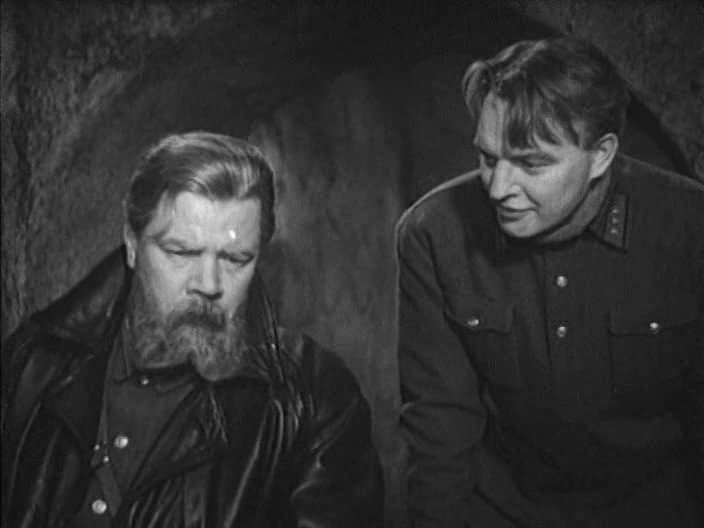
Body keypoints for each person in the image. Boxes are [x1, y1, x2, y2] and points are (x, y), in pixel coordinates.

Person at [2, 132, 383, 527]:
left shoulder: (312, 400)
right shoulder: (33, 365)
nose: (209, 284)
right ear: (132, 243)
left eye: (235, 259)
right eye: (182, 253)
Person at [396, 37, 703, 527]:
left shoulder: (690, 230)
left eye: (531, 164)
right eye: (489, 158)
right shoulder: (432, 234)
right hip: (505, 510)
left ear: (600, 155)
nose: (499, 188)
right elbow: (439, 428)